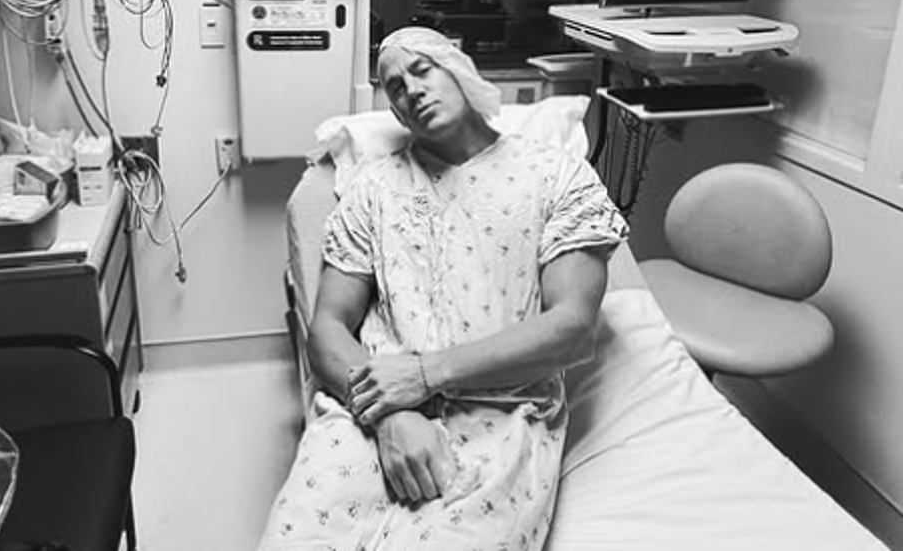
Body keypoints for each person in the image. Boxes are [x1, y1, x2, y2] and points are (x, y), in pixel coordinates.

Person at [257, 27, 627, 551]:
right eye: (395, 87)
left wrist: (426, 375)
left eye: (421, 70)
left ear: (457, 69)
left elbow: (573, 330)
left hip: (501, 421)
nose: (411, 89)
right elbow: (328, 329)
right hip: (370, 412)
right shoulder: (372, 190)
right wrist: (390, 415)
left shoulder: (557, 177)